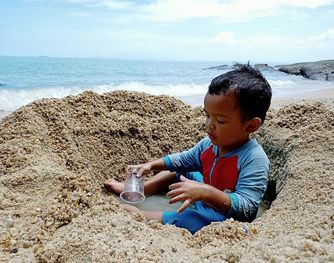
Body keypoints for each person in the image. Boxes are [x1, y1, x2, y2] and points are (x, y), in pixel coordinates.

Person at [105, 63, 272, 234]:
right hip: (203, 189)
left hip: (221, 215)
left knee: (190, 219)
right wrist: (151, 165)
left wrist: (206, 192)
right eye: (207, 116)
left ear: (251, 125)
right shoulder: (209, 144)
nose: (208, 125)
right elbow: (183, 160)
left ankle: (143, 215)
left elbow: (247, 209)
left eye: (220, 121)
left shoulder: (254, 159)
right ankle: (144, 189)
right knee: (179, 171)